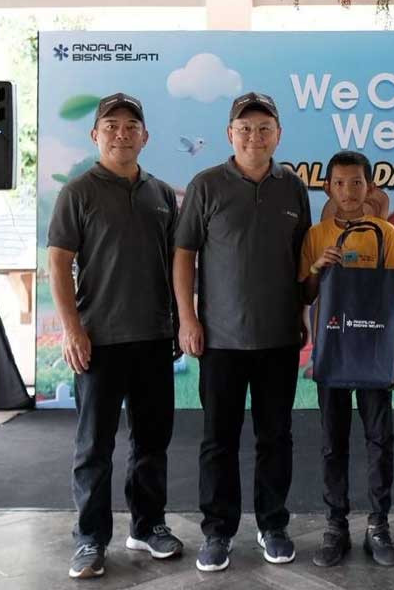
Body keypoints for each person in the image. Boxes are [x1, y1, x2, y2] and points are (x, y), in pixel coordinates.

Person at [173, 92, 311, 572]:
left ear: (278, 135)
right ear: (230, 134)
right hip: (220, 340)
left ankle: (273, 525)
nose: (255, 137)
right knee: (219, 440)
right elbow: (184, 255)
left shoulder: (292, 188)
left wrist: (303, 314)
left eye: (264, 128)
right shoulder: (207, 185)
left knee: (276, 437)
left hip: (279, 338)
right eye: (245, 128)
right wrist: (188, 319)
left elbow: (302, 260)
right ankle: (218, 532)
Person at [48, 93, 183, 579]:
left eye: (131, 127)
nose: (121, 134)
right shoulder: (78, 192)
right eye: (111, 126)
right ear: (96, 135)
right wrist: (72, 330)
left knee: (152, 441)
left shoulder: (161, 194)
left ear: (145, 137)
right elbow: (58, 264)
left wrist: (179, 321)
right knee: (94, 447)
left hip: (154, 338)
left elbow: (176, 264)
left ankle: (147, 526)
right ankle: (89, 539)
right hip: (98, 341)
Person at [299, 151, 394, 568]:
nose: (348, 191)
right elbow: (305, 294)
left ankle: (378, 525)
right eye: (340, 183)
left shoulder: (386, 234)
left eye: (357, 182)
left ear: (370, 187)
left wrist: (392, 358)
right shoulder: (316, 235)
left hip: (373, 355)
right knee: (333, 442)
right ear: (328, 187)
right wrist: (318, 267)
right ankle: (336, 526)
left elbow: (392, 298)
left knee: (380, 441)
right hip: (332, 354)